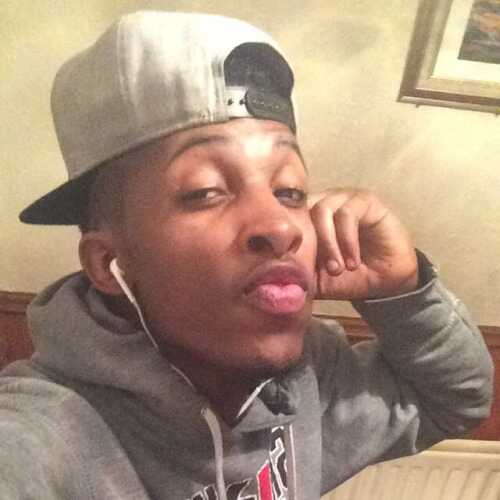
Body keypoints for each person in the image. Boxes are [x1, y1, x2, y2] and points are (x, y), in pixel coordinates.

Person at [1, 10, 493, 500]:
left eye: (290, 191)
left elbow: (454, 399)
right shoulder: (46, 437)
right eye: (205, 191)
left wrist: (403, 291)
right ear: (109, 263)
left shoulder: (310, 381)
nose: (281, 226)